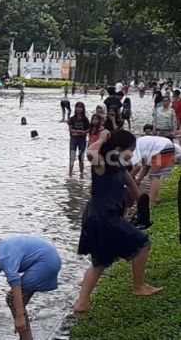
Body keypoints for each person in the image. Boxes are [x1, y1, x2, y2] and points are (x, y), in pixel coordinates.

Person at [75, 130, 163, 313]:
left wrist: (141, 206)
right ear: (117, 149)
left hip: (100, 216)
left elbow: (131, 185)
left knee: (101, 261)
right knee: (143, 243)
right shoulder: (102, 165)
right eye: (131, 149)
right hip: (103, 217)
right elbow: (90, 153)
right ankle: (139, 286)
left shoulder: (119, 167)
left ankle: (81, 304)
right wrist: (100, 139)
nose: (132, 153)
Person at [0, 221, 61, 340]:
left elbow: (15, 283)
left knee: (12, 299)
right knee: (14, 300)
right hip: (45, 259)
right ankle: (25, 336)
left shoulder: (1, 254)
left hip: (46, 262)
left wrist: (19, 317)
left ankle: (26, 337)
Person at [131, 135, 181, 208]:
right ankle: (152, 199)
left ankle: (151, 203)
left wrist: (128, 179)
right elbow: (146, 167)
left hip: (161, 149)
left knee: (155, 176)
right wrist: (138, 181)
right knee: (155, 175)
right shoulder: (142, 146)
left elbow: (137, 166)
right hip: (165, 147)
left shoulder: (133, 147)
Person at [68, 102, 90, 177]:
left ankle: (81, 174)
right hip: (73, 139)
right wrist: (81, 132)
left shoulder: (85, 119)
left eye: (80, 107)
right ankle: (70, 173)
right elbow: (70, 130)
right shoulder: (72, 119)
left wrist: (82, 132)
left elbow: (89, 129)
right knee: (72, 156)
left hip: (82, 140)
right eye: (77, 107)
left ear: (83, 109)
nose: (79, 109)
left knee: (81, 157)